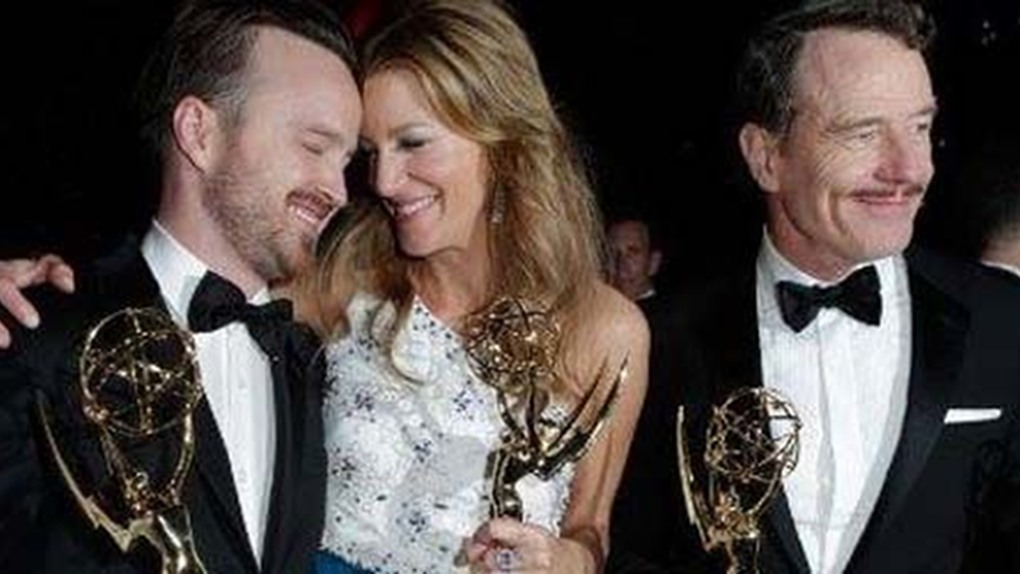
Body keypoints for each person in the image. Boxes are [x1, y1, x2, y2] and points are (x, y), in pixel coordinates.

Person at [0, 0, 650, 572]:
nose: (382, 182)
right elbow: (185, 290)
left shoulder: (609, 331)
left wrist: (570, 560)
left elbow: (591, 530)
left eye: (412, 142)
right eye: (370, 153)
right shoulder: (338, 281)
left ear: (503, 141)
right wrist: (33, 286)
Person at [0, 0, 362, 572]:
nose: (338, 191)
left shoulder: (310, 363)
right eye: (314, 146)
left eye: (344, 160)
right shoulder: (36, 334)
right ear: (199, 132)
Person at [664, 1, 1020, 573]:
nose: (909, 169)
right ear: (766, 157)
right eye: (862, 132)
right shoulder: (665, 340)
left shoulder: (1003, 320)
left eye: (920, 128)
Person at [607, 217, 663, 306]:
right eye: (613, 253)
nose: (621, 267)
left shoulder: (675, 310)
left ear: (653, 262)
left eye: (633, 253)